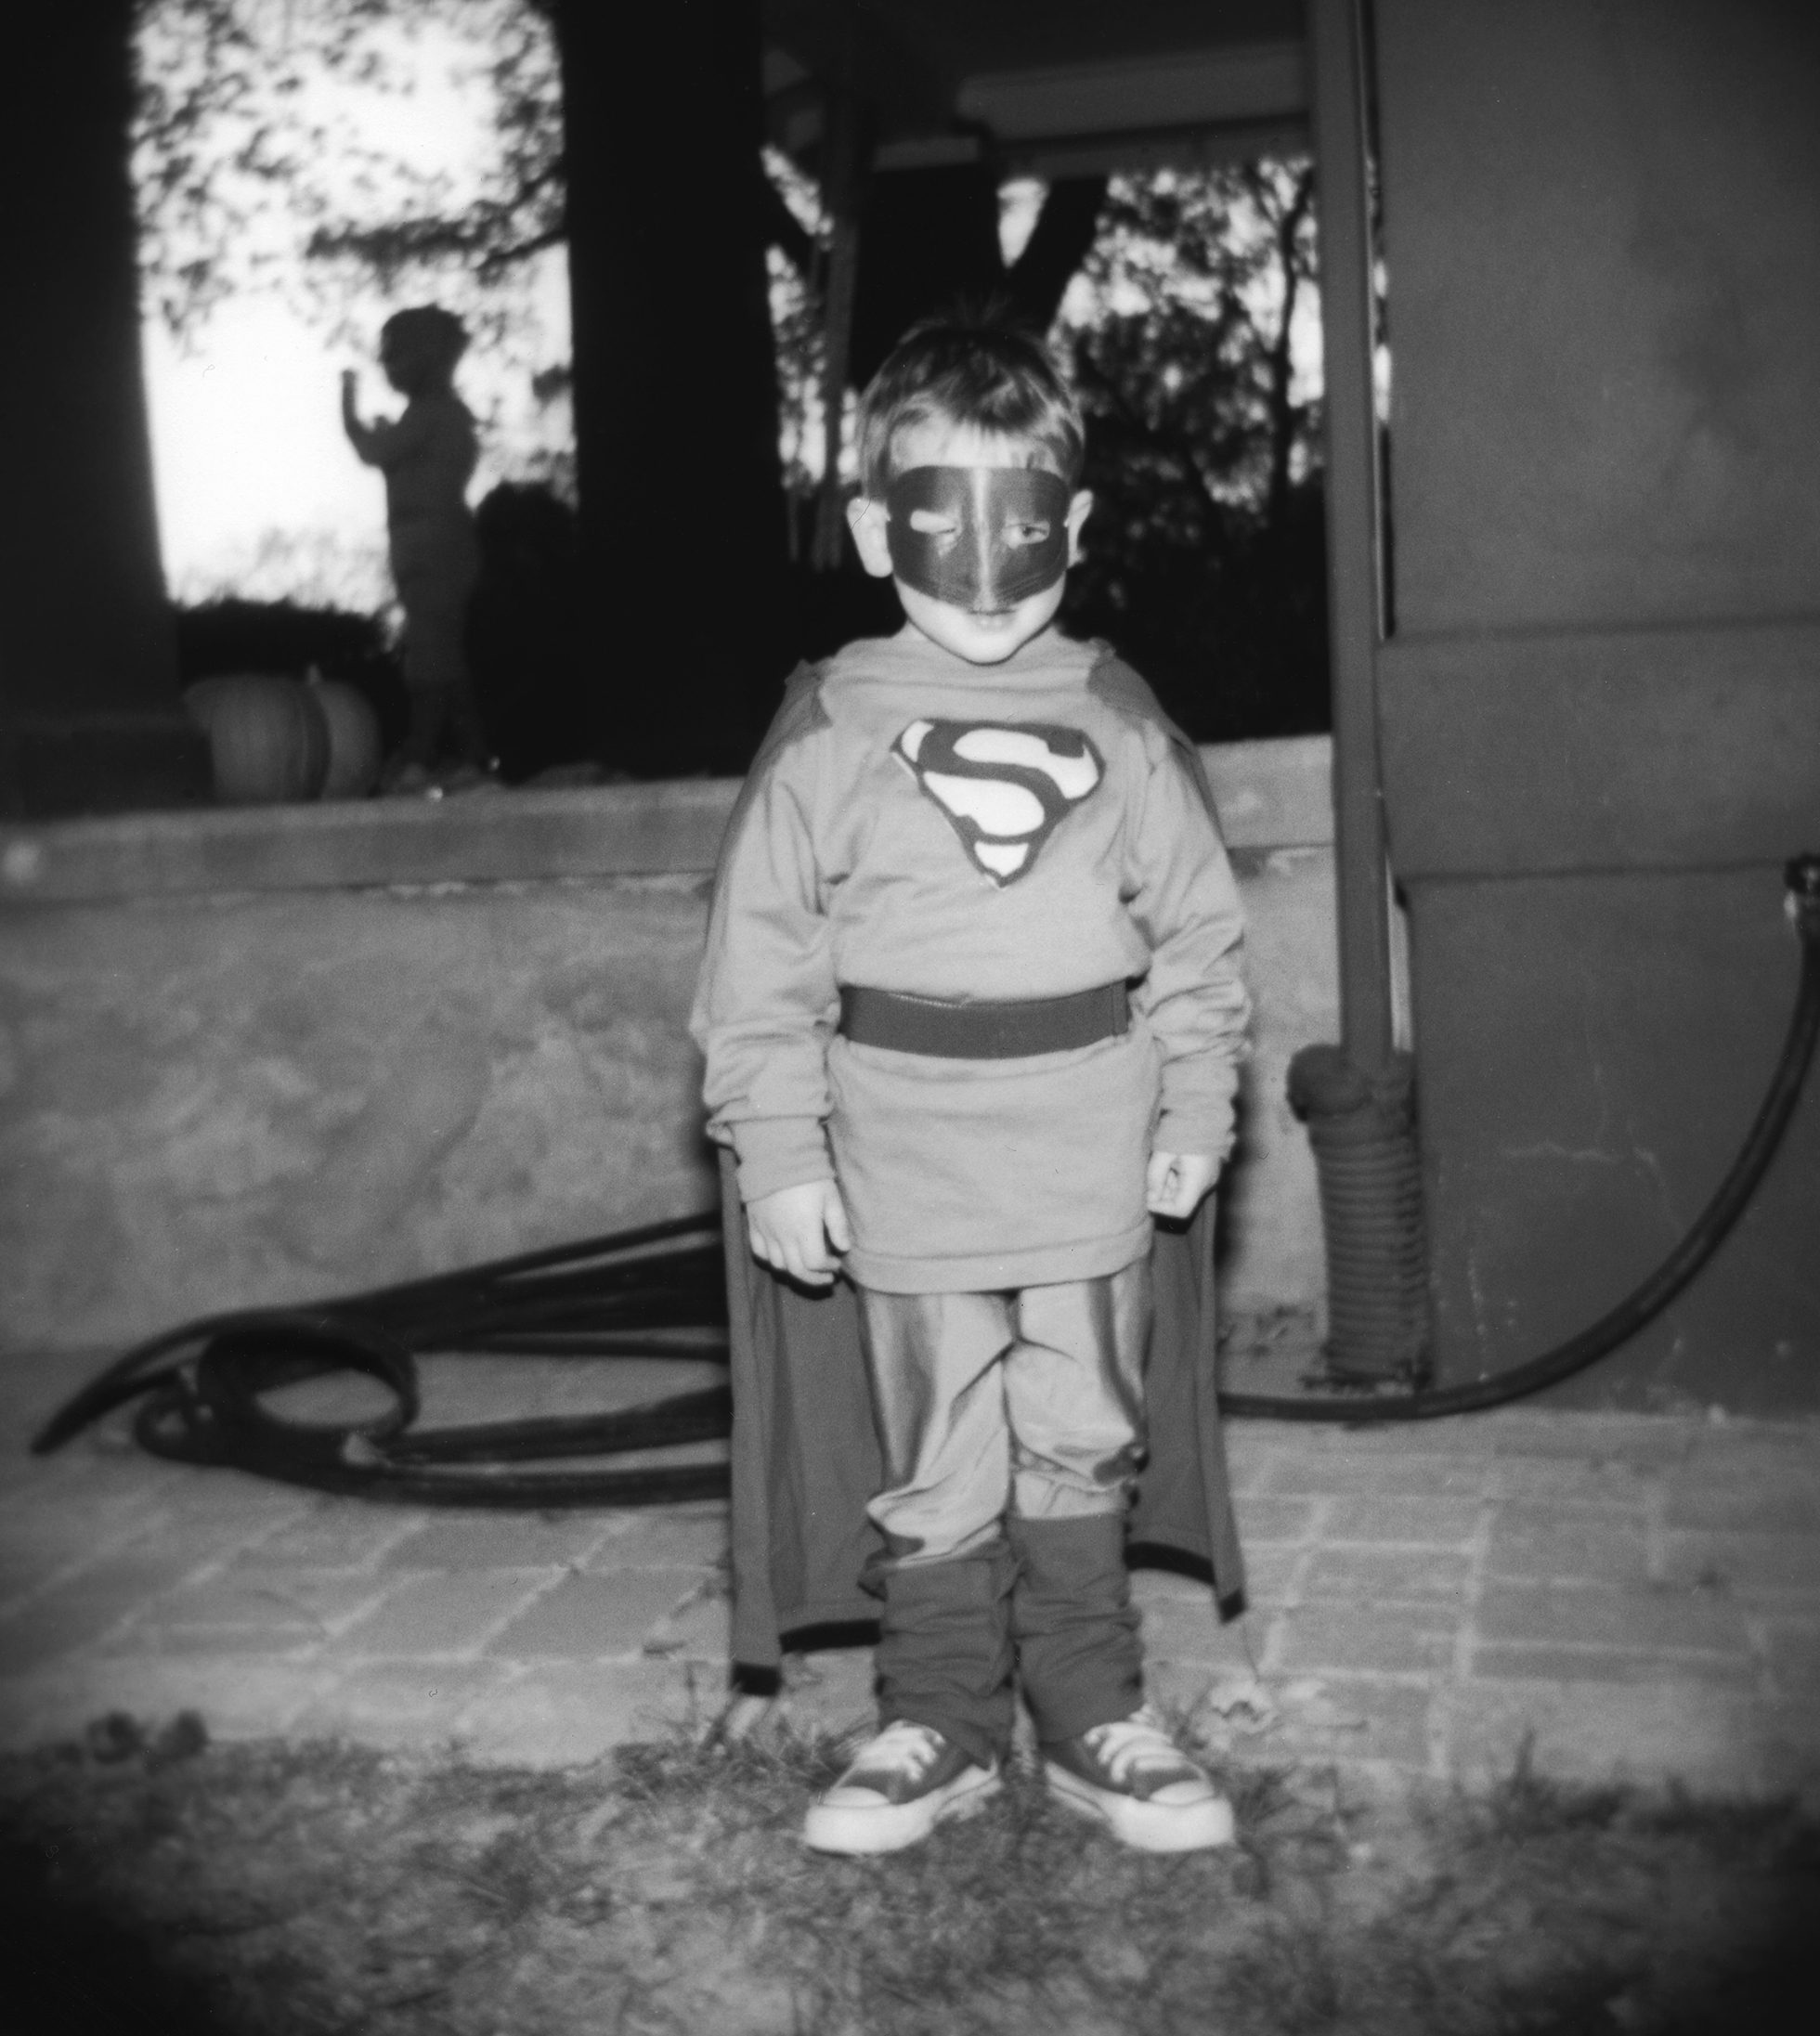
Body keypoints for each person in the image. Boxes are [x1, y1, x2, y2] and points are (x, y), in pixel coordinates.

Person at [691, 311, 1252, 1857]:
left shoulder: (1120, 722)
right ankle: (938, 1713)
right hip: (907, 1165)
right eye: (947, 515)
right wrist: (782, 1153)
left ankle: (1089, 1706)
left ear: (1074, 519)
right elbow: (761, 969)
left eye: (1029, 520)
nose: (989, 569)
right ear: (879, 528)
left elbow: (1200, 943)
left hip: (1088, 1157)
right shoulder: (827, 729)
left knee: (1082, 1428)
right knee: (937, 1448)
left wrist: (1196, 1110)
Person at [341, 306, 488, 785]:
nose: (389, 365)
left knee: (430, 653)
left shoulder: (432, 414)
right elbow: (398, 461)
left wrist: (346, 405)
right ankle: (468, 752)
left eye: (396, 355)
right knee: (442, 653)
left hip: (432, 546)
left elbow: (373, 453)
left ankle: (425, 750)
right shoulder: (436, 417)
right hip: (426, 543)